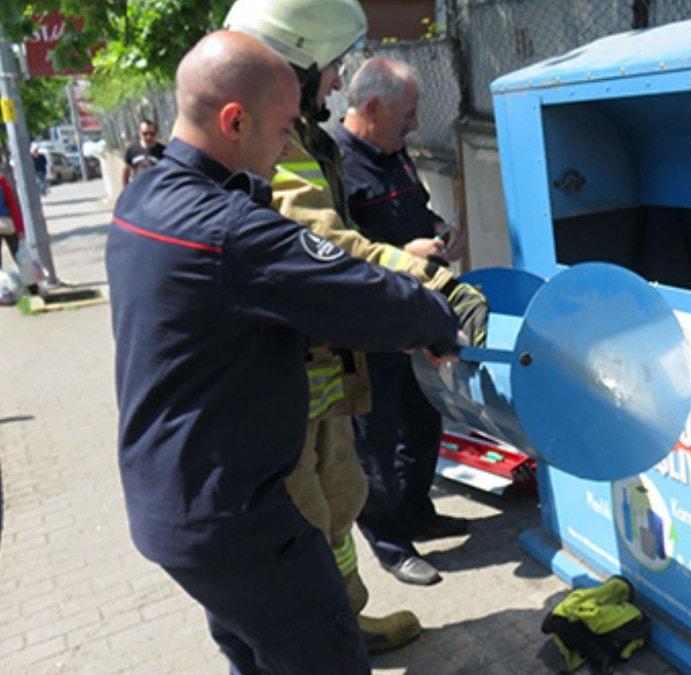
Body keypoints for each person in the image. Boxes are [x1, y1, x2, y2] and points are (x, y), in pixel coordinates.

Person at [106, 31, 460, 673]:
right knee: (326, 652)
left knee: (257, 654)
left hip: (176, 504)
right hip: (237, 516)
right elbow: (362, 297)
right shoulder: (228, 232)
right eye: (280, 128)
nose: (289, 145)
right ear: (234, 120)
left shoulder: (145, 197)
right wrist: (439, 316)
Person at [224, 0, 486, 623]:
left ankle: (348, 621)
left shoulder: (301, 136)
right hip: (282, 371)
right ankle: (324, 640)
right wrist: (432, 286)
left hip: (321, 362)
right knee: (306, 515)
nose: (339, 81)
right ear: (295, 63)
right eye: (332, 66)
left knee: (336, 497)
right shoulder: (273, 141)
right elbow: (328, 242)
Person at [335, 57, 476, 586]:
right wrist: (402, 251)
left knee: (424, 419)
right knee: (378, 438)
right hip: (371, 327)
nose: (416, 124)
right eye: (408, 114)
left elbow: (417, 212)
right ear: (371, 108)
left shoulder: (395, 153)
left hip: (415, 317)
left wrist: (440, 232)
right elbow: (336, 251)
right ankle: (391, 543)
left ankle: (419, 512)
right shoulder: (338, 165)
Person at [0, 171, 25, 305]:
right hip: (8, 223)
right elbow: (12, 205)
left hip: (6, 223)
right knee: (20, 256)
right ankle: (33, 286)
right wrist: (20, 229)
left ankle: (3, 294)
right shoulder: (2, 180)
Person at [121, 120, 166, 186]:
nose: (148, 137)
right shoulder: (132, 150)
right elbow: (125, 172)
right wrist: (125, 191)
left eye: (152, 134)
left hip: (156, 190)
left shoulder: (164, 151)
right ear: (139, 133)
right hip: (138, 190)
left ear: (156, 133)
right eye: (145, 134)